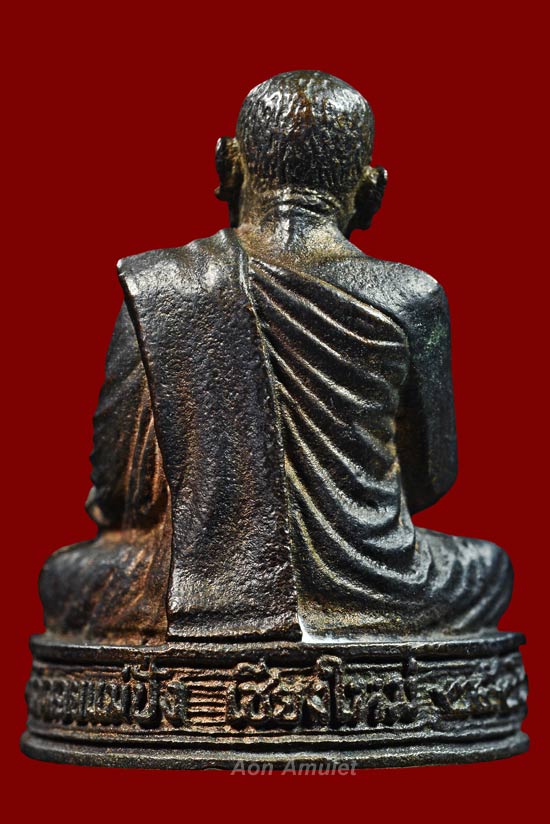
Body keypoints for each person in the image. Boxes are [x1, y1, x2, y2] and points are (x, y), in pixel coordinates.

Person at [40, 71, 512, 644]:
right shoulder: (411, 296)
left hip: (183, 583)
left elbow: (116, 488)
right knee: (488, 567)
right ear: (372, 188)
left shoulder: (162, 284)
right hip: (374, 577)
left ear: (226, 163)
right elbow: (430, 476)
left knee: (66, 576)